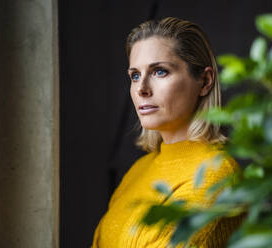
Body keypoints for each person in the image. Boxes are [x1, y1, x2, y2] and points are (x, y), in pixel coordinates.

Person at [91, 17, 244, 248]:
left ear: (204, 81)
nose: (141, 89)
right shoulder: (138, 171)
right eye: (135, 75)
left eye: (159, 71)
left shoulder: (216, 174)